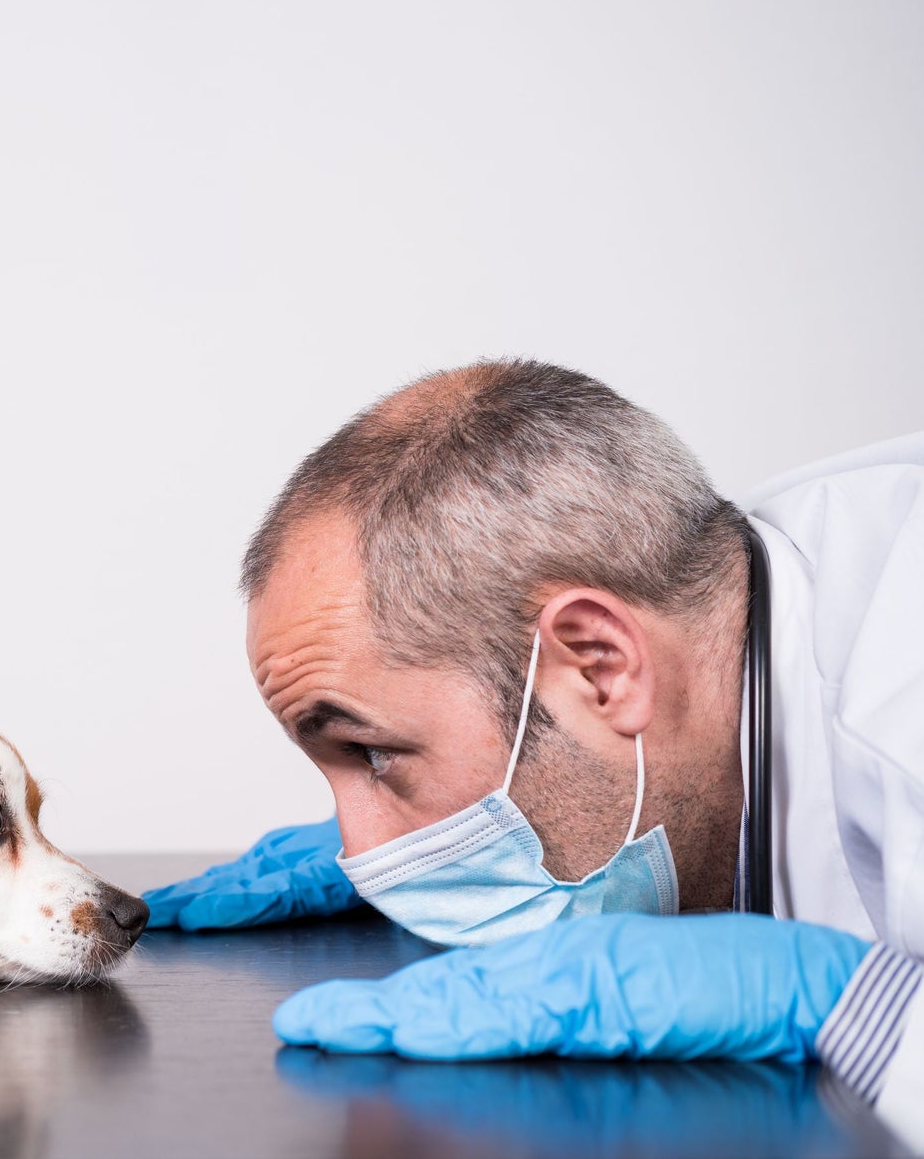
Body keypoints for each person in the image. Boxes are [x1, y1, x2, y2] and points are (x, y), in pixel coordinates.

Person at [145, 360, 924, 1144]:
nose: (359, 854)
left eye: (371, 753)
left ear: (599, 665)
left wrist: (862, 1010)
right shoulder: (722, 580)